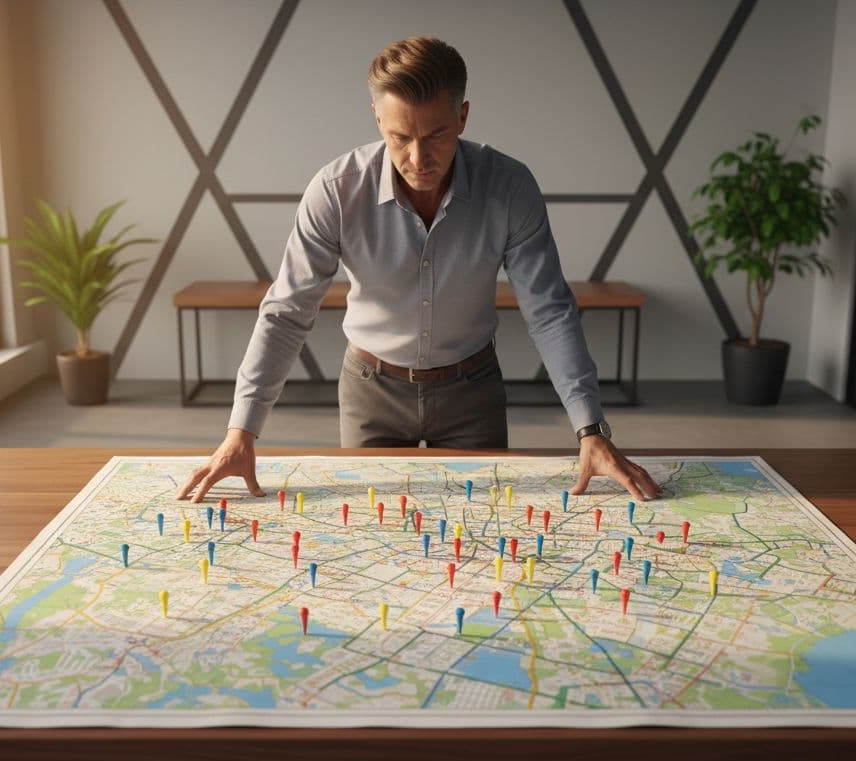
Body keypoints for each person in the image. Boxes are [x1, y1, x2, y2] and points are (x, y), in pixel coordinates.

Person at [178, 36, 661, 504]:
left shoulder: (510, 188)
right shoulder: (335, 192)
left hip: (474, 392)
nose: (418, 158)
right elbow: (286, 312)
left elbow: (550, 311)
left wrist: (591, 429)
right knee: (374, 536)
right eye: (399, 137)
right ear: (377, 118)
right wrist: (240, 433)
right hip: (371, 391)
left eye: (436, 135)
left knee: (486, 533)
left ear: (463, 116)